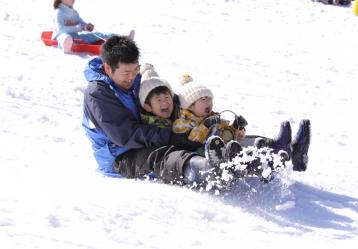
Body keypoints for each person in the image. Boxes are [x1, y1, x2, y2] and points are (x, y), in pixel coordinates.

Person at [82, 35, 311, 189]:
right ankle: (206, 170)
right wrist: (173, 136)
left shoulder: (137, 80)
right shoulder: (98, 93)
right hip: (121, 156)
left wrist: (192, 118)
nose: (131, 77)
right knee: (163, 156)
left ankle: (279, 151)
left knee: (209, 136)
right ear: (107, 68)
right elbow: (125, 135)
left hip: (154, 135)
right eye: (125, 73)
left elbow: (164, 102)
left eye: (134, 70)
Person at [173, 77, 247, 145]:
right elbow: (193, 141)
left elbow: (227, 133)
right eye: (204, 99)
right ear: (190, 106)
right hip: (196, 155)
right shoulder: (181, 123)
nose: (209, 102)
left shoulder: (213, 118)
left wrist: (236, 127)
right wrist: (205, 125)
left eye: (210, 99)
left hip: (218, 149)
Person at [52, 0, 134, 53]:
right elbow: (60, 29)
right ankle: (66, 46)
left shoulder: (74, 12)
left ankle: (123, 38)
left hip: (75, 37)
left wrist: (86, 26)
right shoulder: (58, 12)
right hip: (60, 36)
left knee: (99, 35)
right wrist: (78, 27)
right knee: (65, 37)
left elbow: (81, 22)